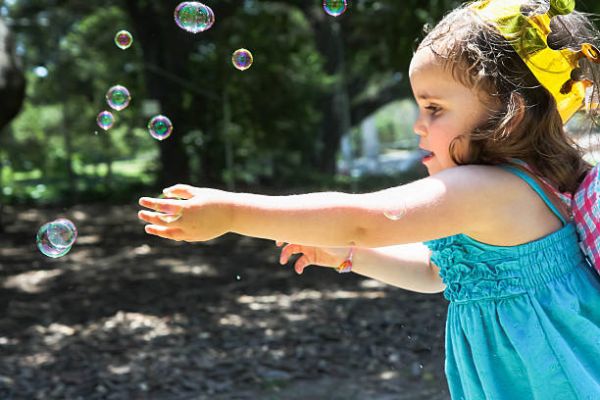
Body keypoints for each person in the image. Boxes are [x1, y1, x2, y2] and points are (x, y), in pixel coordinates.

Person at [138, 0, 600, 397]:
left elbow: (366, 218)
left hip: (556, 380)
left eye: (434, 108)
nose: (418, 125)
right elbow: (436, 272)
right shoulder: (511, 189)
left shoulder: (489, 189)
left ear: (511, 114)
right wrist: (352, 256)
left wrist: (232, 212)